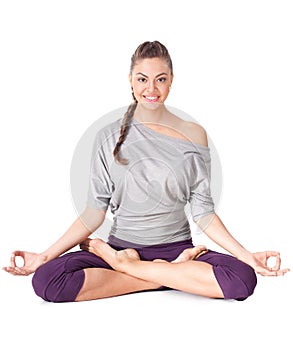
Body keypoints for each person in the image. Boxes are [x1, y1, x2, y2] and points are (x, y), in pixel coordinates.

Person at [3, 41, 289, 302]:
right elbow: (94, 212)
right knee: (47, 281)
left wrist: (248, 256)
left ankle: (129, 269)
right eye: (142, 79)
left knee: (242, 280)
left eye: (160, 79)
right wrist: (44, 256)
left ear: (171, 81)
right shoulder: (107, 136)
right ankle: (163, 278)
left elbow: (203, 211)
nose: (151, 89)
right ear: (130, 80)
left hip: (177, 251)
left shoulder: (193, 135)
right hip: (126, 247)